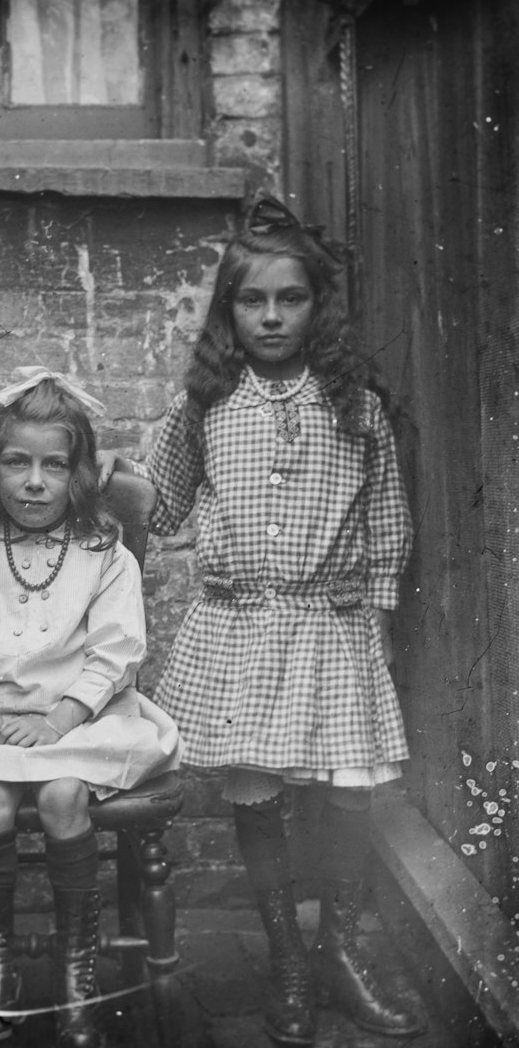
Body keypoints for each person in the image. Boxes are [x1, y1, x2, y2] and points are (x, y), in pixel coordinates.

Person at [99, 195, 423, 1046]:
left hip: (331, 625)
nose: (272, 316)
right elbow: (160, 507)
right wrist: (105, 473)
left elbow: (386, 515)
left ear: (318, 306)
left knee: (352, 787)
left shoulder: (356, 407)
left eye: (291, 298)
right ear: (228, 312)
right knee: (260, 790)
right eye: (253, 301)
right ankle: (286, 957)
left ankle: (338, 952)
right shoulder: (204, 406)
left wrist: (380, 612)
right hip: (240, 629)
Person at [0, 367, 182, 1048]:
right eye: (17, 463)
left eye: (54, 465)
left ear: (80, 476)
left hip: (83, 722)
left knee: (66, 796)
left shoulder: (103, 553)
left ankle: (75, 977)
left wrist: (62, 718)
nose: (34, 482)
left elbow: (118, 651)